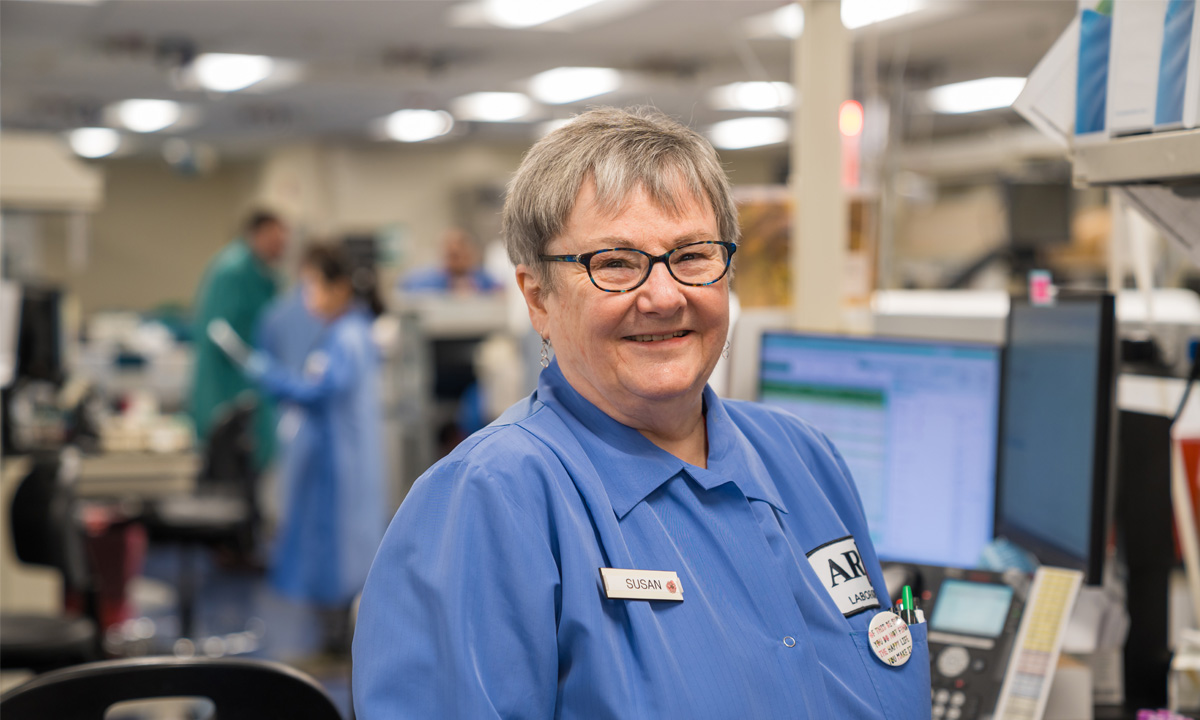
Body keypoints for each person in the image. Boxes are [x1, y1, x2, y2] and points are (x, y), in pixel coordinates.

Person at [353, 107, 931, 718]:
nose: (663, 296)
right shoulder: (491, 499)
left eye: (692, 255)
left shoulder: (804, 458)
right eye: (616, 263)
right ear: (537, 298)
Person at [245, 244, 387, 654]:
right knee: (333, 547)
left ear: (339, 288)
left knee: (336, 549)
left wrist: (272, 376)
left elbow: (320, 391)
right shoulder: (345, 333)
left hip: (339, 466)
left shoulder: (347, 337)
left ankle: (340, 641)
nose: (306, 297)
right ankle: (334, 634)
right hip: (337, 459)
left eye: (311, 286)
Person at [189, 210, 287, 469]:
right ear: (257, 235)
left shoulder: (264, 274)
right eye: (276, 238)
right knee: (227, 455)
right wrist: (249, 362)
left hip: (249, 383)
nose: (282, 246)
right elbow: (218, 330)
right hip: (227, 381)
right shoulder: (232, 270)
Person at [399, 227, 502, 294]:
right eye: (454, 256)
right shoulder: (421, 280)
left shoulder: (483, 278)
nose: (460, 261)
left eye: (464, 254)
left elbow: (500, 292)